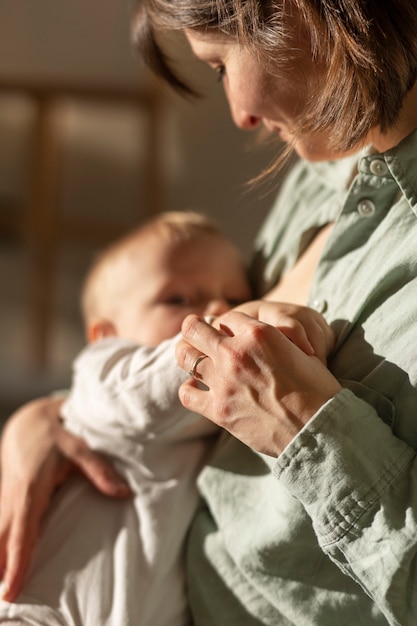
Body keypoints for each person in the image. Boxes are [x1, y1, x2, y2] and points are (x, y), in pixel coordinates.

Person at [1, 0, 417, 624]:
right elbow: (186, 365)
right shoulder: (328, 164)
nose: (242, 115)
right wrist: (48, 418)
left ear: (301, 11)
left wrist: (303, 424)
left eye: (220, 64)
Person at [0, 210, 333, 626]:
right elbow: (153, 389)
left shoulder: (205, 424)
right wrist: (251, 321)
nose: (217, 308)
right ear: (106, 334)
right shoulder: (106, 373)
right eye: (179, 299)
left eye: (233, 297)